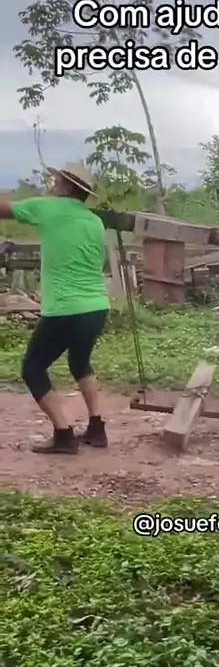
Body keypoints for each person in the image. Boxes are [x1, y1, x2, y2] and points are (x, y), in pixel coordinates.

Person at [0, 163, 110, 454]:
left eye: (57, 180)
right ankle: (97, 428)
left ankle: (64, 434)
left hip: (65, 309)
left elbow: (4, 209)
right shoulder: (94, 221)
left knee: (33, 368)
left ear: (67, 186)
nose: (52, 183)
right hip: (96, 308)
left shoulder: (47, 208)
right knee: (80, 362)